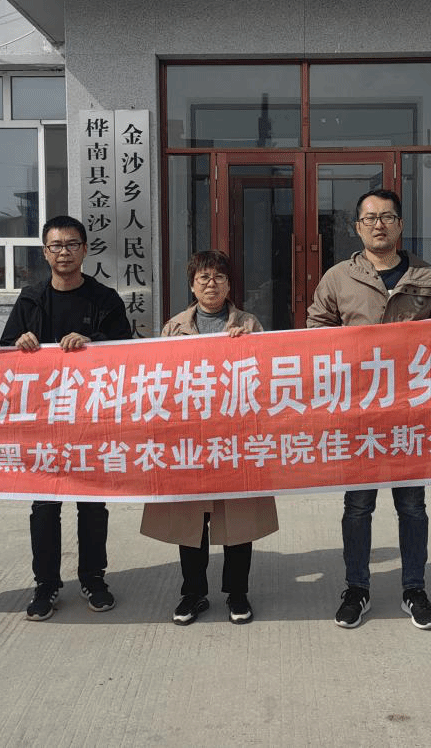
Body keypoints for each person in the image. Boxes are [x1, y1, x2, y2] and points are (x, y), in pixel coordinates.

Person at [307, 188, 431, 630]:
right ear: (357, 227)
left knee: (412, 506)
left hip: (411, 412)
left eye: (387, 217)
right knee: (358, 506)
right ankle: (357, 588)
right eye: (370, 218)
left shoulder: (428, 277)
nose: (379, 225)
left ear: (400, 225)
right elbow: (316, 331)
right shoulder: (338, 278)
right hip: (360, 414)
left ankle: (414, 589)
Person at [0, 215, 132, 621]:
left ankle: (94, 578)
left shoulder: (104, 299)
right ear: (44, 253)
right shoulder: (30, 299)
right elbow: (4, 352)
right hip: (43, 422)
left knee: (92, 504)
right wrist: (19, 342)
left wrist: (94, 343)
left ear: (85, 249)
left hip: (91, 419)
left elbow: (126, 350)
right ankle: (46, 584)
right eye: (55, 246)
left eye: (71, 244)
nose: (64, 252)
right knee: (44, 506)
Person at [139, 250, 279, 625]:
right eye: (203, 277)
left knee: (238, 519)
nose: (211, 284)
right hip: (190, 439)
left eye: (219, 277)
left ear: (230, 285)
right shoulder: (174, 328)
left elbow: (267, 378)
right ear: (192, 285)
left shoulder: (248, 324)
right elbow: (161, 383)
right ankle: (193, 593)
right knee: (190, 520)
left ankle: (237, 593)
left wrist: (248, 345)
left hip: (235, 438)